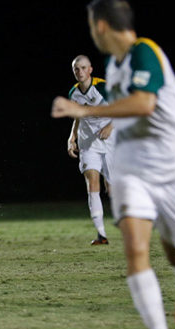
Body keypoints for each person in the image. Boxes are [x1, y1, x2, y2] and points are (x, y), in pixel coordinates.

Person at [51, 0, 175, 329]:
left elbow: (144, 103)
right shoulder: (113, 64)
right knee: (135, 250)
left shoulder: (145, 52)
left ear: (101, 26)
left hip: (172, 166)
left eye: (92, 28)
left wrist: (85, 114)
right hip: (133, 167)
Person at [66, 55, 114, 245]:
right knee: (92, 184)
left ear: (90, 70)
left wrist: (110, 126)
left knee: (111, 188)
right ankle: (101, 235)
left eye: (83, 68)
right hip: (89, 143)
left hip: (110, 140)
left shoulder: (104, 87)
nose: (79, 72)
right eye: (76, 69)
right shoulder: (73, 93)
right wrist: (73, 136)